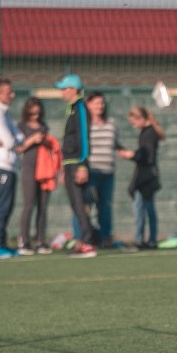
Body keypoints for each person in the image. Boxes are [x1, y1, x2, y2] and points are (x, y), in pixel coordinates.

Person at [0, 77, 41, 259]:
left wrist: (13, 141)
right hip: (1, 166)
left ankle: (2, 244)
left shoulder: (3, 113)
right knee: (0, 207)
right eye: (9, 92)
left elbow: (18, 138)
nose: (13, 95)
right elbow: (10, 141)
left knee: (7, 207)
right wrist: (12, 141)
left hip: (10, 166)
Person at [56, 73, 97, 258]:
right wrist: (64, 168)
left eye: (65, 88)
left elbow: (84, 138)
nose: (62, 92)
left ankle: (88, 242)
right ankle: (82, 240)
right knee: (75, 206)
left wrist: (82, 165)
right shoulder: (71, 108)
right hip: (69, 164)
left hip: (77, 163)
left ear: (74, 89)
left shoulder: (80, 106)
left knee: (80, 205)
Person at [78, 91, 122, 249]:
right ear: (88, 105)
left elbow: (116, 143)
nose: (100, 106)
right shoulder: (84, 124)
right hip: (90, 172)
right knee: (84, 206)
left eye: (102, 103)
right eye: (96, 103)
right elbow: (78, 147)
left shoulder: (111, 123)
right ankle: (83, 238)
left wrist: (126, 152)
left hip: (107, 172)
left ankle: (105, 238)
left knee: (105, 207)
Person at [118, 106, 165, 250]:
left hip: (146, 178)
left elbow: (147, 156)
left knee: (141, 210)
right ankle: (150, 240)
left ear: (141, 118)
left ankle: (141, 240)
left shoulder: (148, 134)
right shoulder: (148, 132)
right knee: (148, 209)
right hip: (148, 176)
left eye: (134, 122)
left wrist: (132, 155)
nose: (133, 125)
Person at [16, 97, 58, 255]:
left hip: (44, 170)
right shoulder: (21, 126)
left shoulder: (43, 126)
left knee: (43, 206)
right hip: (29, 169)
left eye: (38, 113)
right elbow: (18, 148)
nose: (35, 116)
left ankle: (40, 241)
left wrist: (46, 141)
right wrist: (32, 139)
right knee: (28, 205)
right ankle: (24, 241)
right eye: (32, 113)